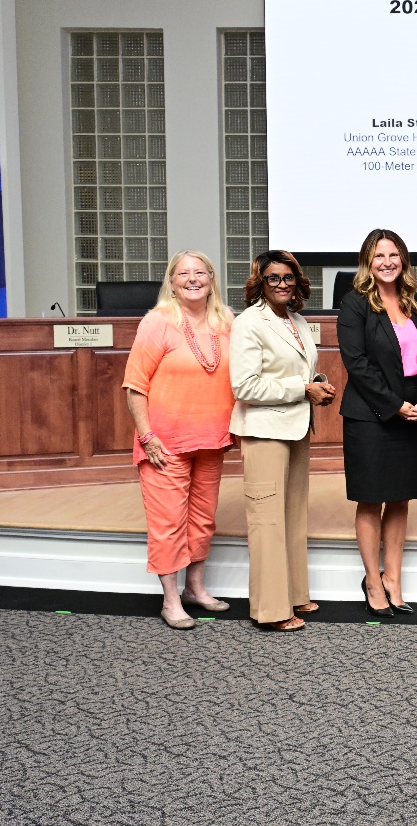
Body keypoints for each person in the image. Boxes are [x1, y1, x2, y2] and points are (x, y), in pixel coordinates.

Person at [122, 250, 236, 630]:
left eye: (200, 272)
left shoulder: (226, 322)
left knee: (202, 521)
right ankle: (171, 600)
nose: (192, 279)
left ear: (211, 280)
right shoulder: (158, 322)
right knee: (168, 523)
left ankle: (196, 589)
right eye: (183, 273)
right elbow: (135, 386)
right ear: (171, 282)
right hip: (163, 444)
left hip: (212, 439)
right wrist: (147, 435)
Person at [230, 249, 337, 632]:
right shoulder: (248, 323)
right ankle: (270, 610)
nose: (281, 284)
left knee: (292, 516)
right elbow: (244, 385)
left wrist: (318, 383)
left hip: (294, 428)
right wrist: (302, 389)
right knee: (267, 521)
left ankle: (294, 594)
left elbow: (295, 371)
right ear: (260, 282)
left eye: (288, 278)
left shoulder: (297, 319)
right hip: (263, 432)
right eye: (273, 278)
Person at [338, 229, 417, 619]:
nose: (387, 262)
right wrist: (395, 405)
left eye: (394, 254)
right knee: (371, 498)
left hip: (412, 415)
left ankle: (393, 578)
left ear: (404, 259)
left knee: (399, 498)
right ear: (368, 261)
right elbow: (357, 364)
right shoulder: (354, 304)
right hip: (371, 417)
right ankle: (373, 581)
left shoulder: (416, 302)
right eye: (379, 255)